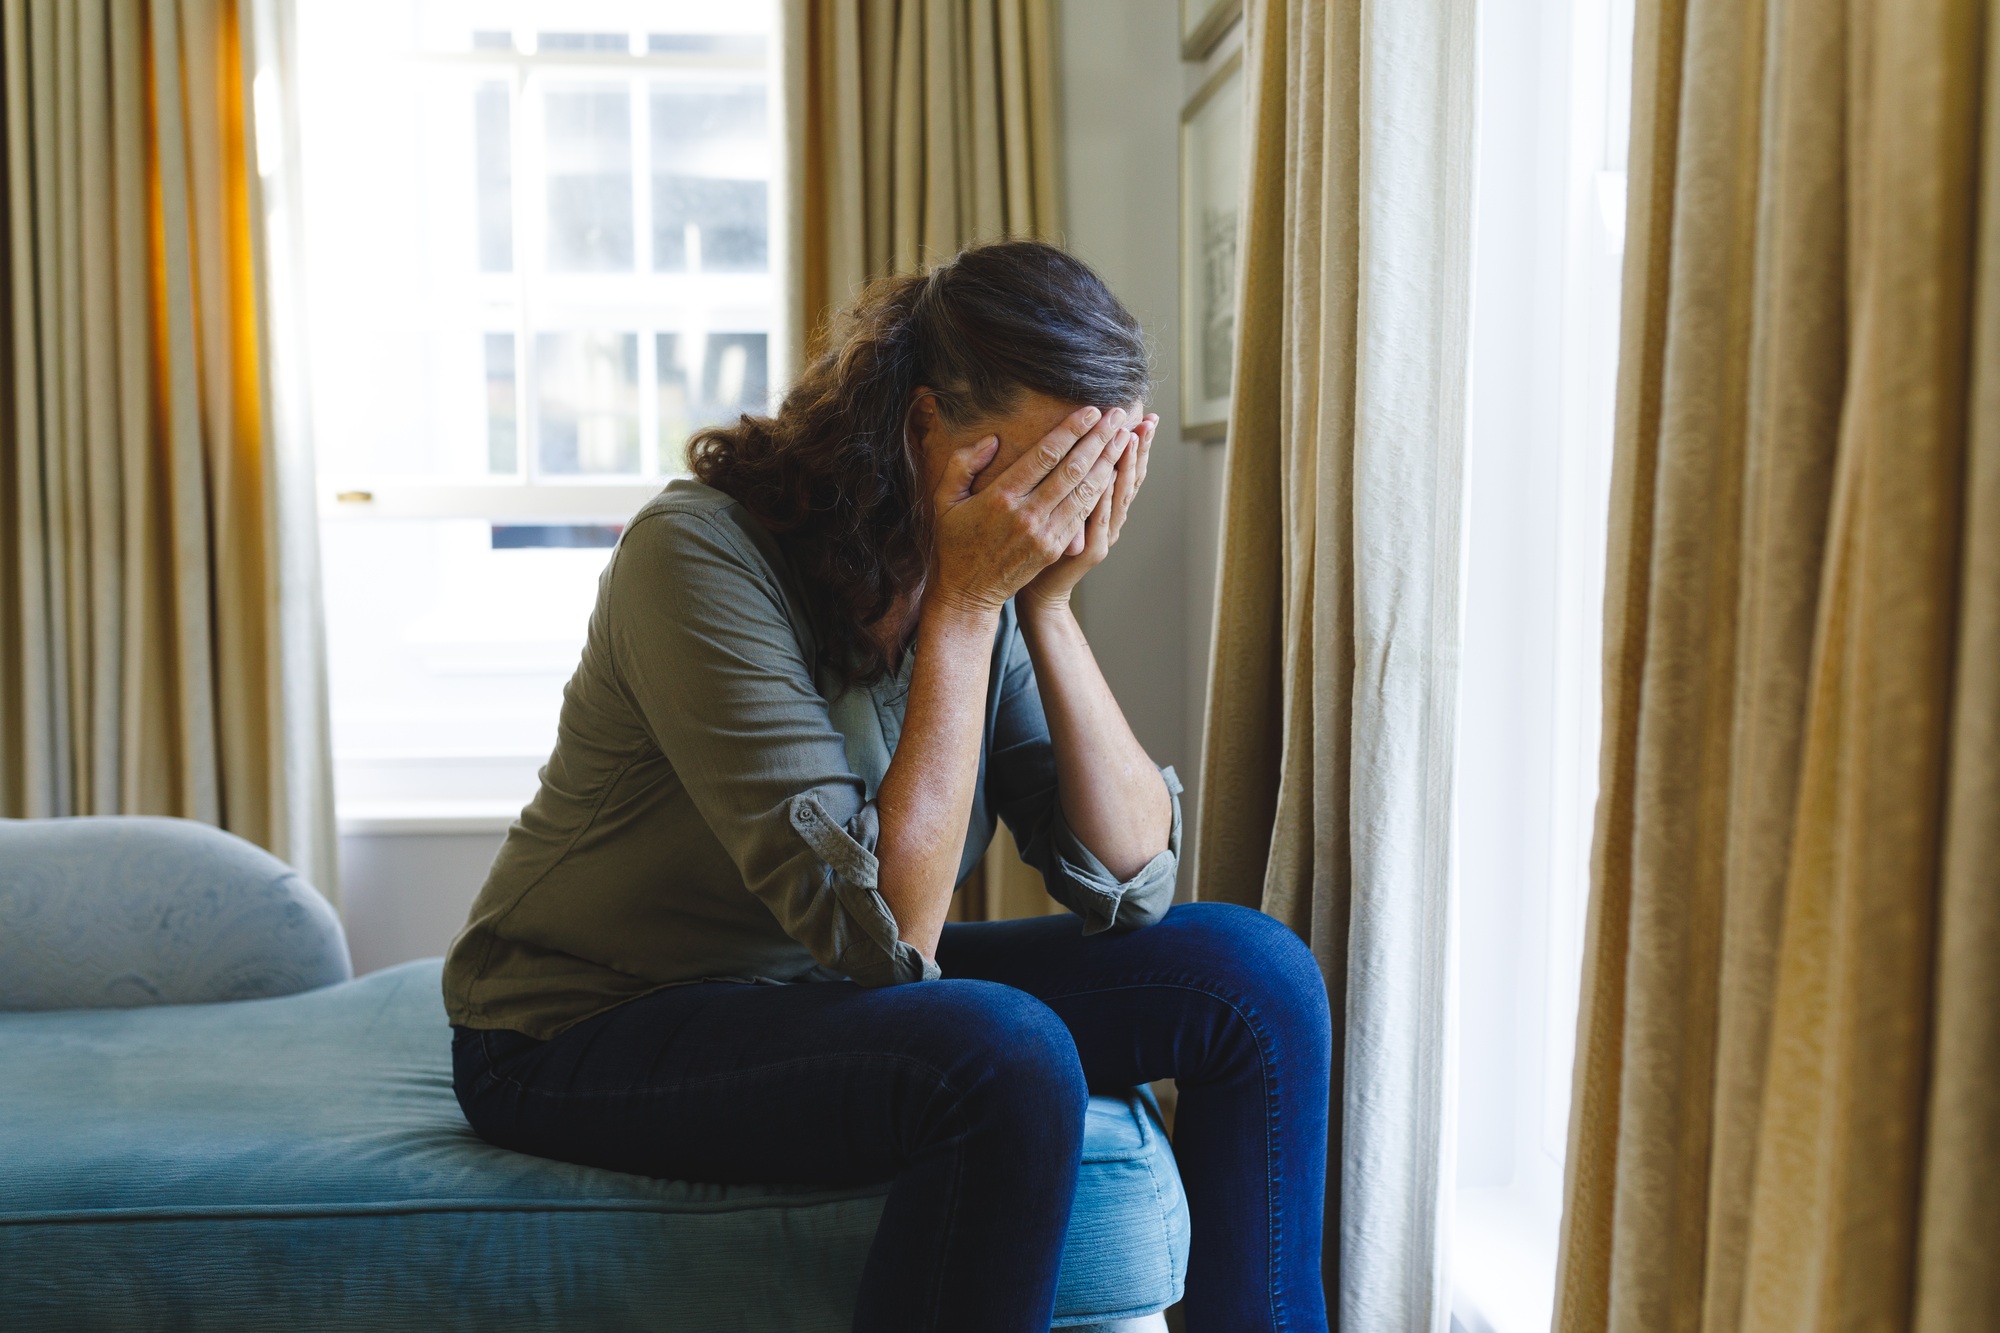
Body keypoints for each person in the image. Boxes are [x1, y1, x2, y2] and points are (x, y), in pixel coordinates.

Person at [442, 240, 1331, 1332]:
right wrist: (967, 607)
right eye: (1041, 470)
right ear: (920, 430)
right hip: (584, 1025)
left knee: (1252, 977)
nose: (1051, 510)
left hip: (809, 991)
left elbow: (1129, 880)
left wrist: (1045, 606)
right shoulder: (696, 557)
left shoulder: (983, 575)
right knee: (1003, 1053)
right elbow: (893, 942)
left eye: (1088, 473)